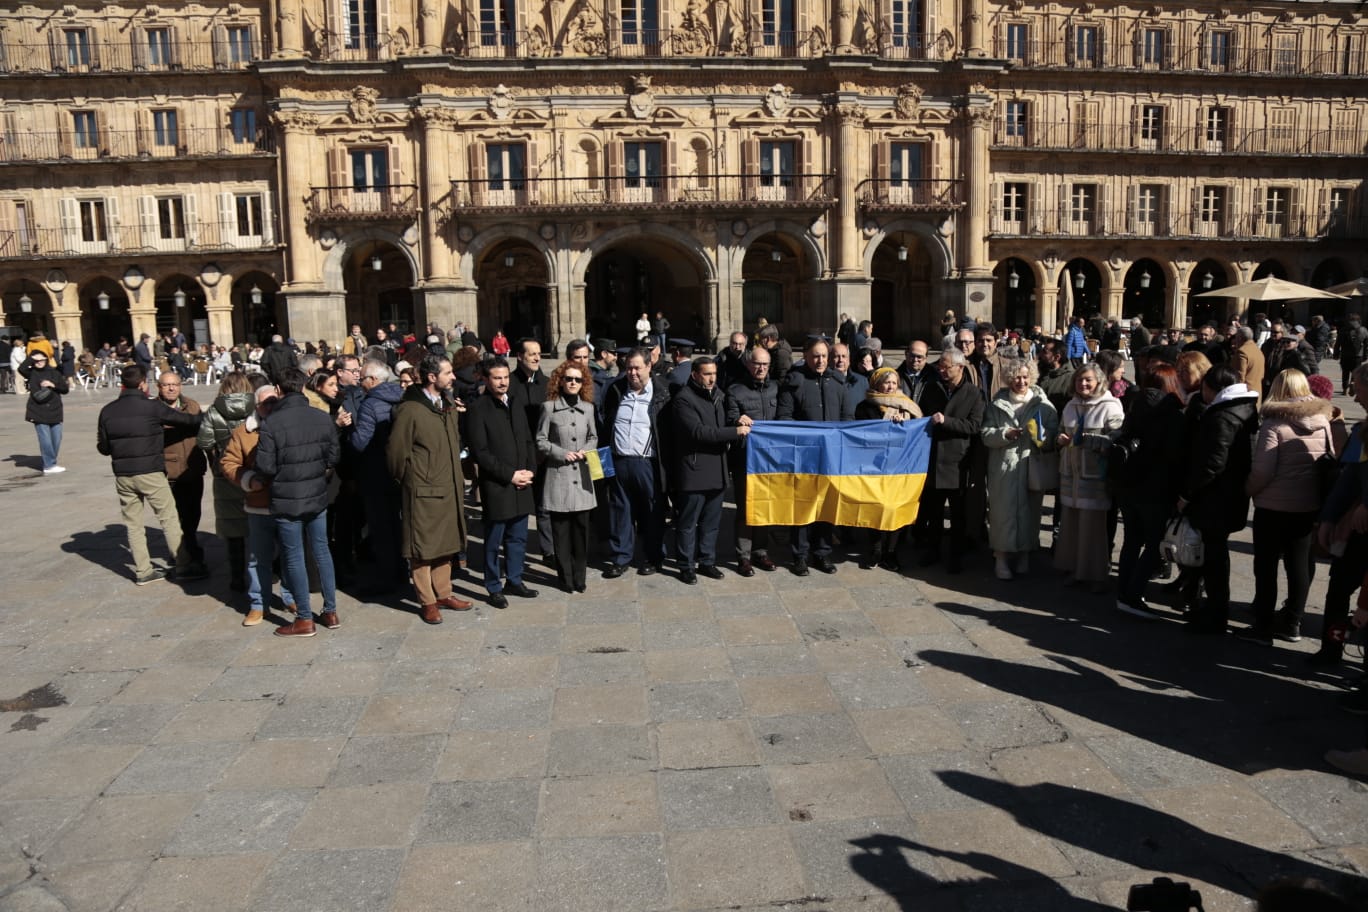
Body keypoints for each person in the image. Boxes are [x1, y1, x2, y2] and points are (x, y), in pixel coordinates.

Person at [1238, 368, 1334, 645]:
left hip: (1273, 506)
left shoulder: (1273, 422)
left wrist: (1247, 491)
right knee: (1299, 565)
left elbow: (1263, 471)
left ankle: (1264, 626)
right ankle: (1293, 622)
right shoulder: (1322, 418)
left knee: (1266, 565)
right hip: (1307, 504)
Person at [97, 364, 203, 584]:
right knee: (169, 518)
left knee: (133, 523)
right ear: (144, 383)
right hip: (151, 472)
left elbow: (104, 447)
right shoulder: (150, 407)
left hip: (123, 475)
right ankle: (183, 565)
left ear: (121, 385)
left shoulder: (107, 410)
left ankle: (143, 571)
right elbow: (187, 420)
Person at [255, 367, 341, 637]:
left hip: (286, 498)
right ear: (304, 387)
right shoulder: (321, 417)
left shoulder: (272, 423)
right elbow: (334, 456)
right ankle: (331, 610)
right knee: (322, 551)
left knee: (294, 557)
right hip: (316, 494)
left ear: (278, 390)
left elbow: (265, 466)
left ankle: (305, 617)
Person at [387, 355, 472, 623]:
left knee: (446, 544)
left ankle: (444, 592)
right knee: (422, 549)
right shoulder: (410, 409)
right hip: (423, 491)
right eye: (448, 373)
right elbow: (395, 454)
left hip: (449, 488)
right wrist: (412, 479)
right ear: (432, 377)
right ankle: (427, 601)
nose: (454, 377)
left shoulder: (446, 404)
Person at [1178, 365, 1259, 635]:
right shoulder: (1244, 409)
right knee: (1216, 554)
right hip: (1230, 496)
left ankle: (1216, 612)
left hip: (1216, 498)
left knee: (1214, 557)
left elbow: (1212, 464)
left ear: (1212, 388)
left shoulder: (1222, 416)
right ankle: (1214, 607)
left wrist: (1187, 494)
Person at [1113, 364, 1186, 618]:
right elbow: (1175, 456)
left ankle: (1123, 592)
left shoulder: (1135, 405)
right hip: (1155, 489)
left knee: (1132, 540)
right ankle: (1133, 595)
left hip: (1128, 485)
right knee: (1154, 542)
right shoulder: (1172, 413)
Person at [466, 358, 539, 609]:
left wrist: (530, 471)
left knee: (518, 537)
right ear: (485, 379)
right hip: (498, 485)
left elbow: (528, 440)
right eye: (497, 377)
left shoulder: (515, 403)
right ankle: (494, 585)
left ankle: (515, 579)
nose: (503, 382)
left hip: (522, 481)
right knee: (494, 540)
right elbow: (481, 452)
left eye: (505, 377)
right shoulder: (478, 409)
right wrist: (510, 475)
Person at [221, 385, 297, 625]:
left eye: (275, 401)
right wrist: (248, 480)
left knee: (290, 554)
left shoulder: (289, 425)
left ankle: (290, 595)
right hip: (258, 504)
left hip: (287, 502)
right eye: (266, 403)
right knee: (258, 557)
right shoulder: (244, 432)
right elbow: (229, 461)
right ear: (257, 406)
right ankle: (258, 603)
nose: (271, 407)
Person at [669, 356, 749, 584]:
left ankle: (707, 561)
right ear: (694, 374)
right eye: (706, 374)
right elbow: (700, 432)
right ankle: (685, 565)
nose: (712, 378)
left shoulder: (719, 396)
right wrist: (735, 432)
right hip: (694, 471)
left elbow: (727, 421)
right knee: (687, 523)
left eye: (714, 373)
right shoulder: (684, 399)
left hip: (718, 470)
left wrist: (737, 420)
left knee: (711, 523)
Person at [777, 337, 853, 575]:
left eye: (824, 356)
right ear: (806, 356)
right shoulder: (795, 382)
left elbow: (847, 419)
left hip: (830, 457)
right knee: (802, 507)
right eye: (815, 356)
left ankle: (822, 553)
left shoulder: (839, 383)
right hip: (804, 457)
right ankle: (799, 555)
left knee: (826, 507)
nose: (820, 361)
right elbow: (784, 418)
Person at [982, 360, 1056, 580]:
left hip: (1030, 465)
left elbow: (1053, 436)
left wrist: (1041, 436)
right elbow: (985, 433)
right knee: (1001, 514)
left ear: (1031, 377)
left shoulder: (1043, 404)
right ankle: (1001, 559)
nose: (1021, 382)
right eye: (1016, 377)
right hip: (1004, 467)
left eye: (1025, 377)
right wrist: (1005, 434)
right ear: (1008, 379)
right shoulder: (997, 403)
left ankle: (1024, 555)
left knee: (1030, 513)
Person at [1053, 363, 1125, 592]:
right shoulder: (1070, 405)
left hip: (1095, 477)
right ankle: (1075, 570)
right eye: (1079, 380)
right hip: (1071, 476)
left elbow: (1117, 438)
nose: (1083, 384)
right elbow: (1060, 431)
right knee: (1072, 527)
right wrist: (1061, 439)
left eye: (1088, 380)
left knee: (1092, 530)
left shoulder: (1110, 405)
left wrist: (1091, 443)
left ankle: (1095, 575)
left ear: (1099, 382)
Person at [602, 349, 670, 577]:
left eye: (637, 368)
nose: (632, 373)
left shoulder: (662, 393)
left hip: (647, 464)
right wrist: (603, 466)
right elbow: (605, 428)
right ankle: (620, 558)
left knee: (652, 513)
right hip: (619, 461)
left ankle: (653, 557)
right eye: (629, 367)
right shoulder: (615, 390)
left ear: (649, 367)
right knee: (620, 511)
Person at [917, 349, 984, 573]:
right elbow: (922, 414)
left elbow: (974, 426)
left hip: (958, 463)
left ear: (960, 367)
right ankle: (932, 550)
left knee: (958, 515)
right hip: (935, 459)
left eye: (947, 367)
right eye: (940, 367)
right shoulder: (932, 387)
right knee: (933, 512)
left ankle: (955, 556)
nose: (942, 371)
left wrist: (947, 421)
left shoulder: (973, 393)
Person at [537, 360, 598, 593]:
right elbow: (540, 440)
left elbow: (594, 436)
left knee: (581, 533)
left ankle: (580, 578)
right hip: (559, 477)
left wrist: (586, 450)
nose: (573, 383)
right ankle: (565, 578)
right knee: (561, 534)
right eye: (568, 379)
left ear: (583, 383)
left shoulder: (589, 408)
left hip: (582, 478)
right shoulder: (548, 408)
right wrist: (562, 453)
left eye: (577, 380)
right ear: (560, 381)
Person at [855, 366, 921, 571]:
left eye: (894, 382)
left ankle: (890, 552)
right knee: (875, 506)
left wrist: (904, 424)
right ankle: (875, 549)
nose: (891, 386)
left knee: (895, 507)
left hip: (900, 466)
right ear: (876, 384)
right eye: (886, 382)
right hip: (873, 466)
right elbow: (863, 433)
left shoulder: (907, 406)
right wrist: (885, 427)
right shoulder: (865, 406)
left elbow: (917, 430)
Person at [198, 372, 259, 592]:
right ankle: (263, 575)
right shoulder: (256, 408)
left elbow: (204, 441)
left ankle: (236, 578)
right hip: (253, 474)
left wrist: (215, 458)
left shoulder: (214, 411)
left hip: (225, 475)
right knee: (257, 526)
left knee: (233, 529)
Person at [725, 346, 778, 577]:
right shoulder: (735, 390)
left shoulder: (776, 388)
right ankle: (743, 556)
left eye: (765, 364)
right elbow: (728, 418)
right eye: (757, 363)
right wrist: (737, 418)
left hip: (770, 461)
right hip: (744, 459)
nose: (761, 368)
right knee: (745, 509)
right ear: (748, 364)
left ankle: (760, 551)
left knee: (765, 506)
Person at [156, 371, 209, 577]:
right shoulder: (154, 409)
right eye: (167, 385)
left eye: (175, 384)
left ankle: (187, 544)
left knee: (193, 511)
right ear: (158, 387)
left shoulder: (192, 405)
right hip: (169, 470)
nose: (171, 388)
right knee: (175, 514)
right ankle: (185, 551)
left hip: (193, 468)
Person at [18, 350, 69, 475]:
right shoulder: (31, 373)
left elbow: (65, 389)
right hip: (38, 410)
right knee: (45, 439)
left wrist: (53, 385)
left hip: (55, 409)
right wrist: (32, 357)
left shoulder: (54, 372)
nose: (39, 362)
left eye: (42, 360)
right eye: (36, 361)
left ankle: (50, 460)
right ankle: (49, 465)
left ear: (46, 360)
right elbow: (21, 368)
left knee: (56, 439)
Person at [1227, 325, 1265, 405]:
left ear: (1240, 337)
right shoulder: (1258, 351)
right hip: (1257, 392)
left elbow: (1239, 376)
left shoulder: (1242, 352)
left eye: (1236, 336)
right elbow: (1262, 375)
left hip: (1245, 395)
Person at [896, 341, 934, 405]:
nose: (915, 360)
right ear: (906, 354)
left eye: (919, 357)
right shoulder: (894, 377)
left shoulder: (935, 377)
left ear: (926, 357)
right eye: (912, 356)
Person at [1340, 313, 1367, 395]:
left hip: (1345, 355)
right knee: (1355, 372)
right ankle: (1352, 383)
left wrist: (1336, 353)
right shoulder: (1364, 330)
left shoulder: (1344, 329)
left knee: (1345, 372)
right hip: (1358, 355)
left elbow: (1338, 342)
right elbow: (1367, 345)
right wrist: (1365, 355)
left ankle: (1345, 389)